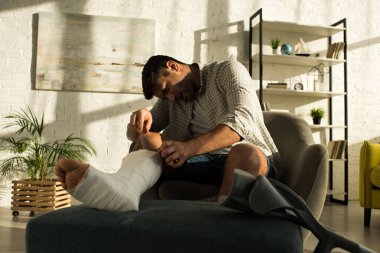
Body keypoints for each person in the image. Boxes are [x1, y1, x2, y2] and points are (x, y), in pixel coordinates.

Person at [55, 55, 282, 210]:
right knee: (148, 140)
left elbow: (243, 119)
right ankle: (121, 186)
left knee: (245, 154)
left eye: (167, 90)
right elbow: (140, 137)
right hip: (201, 164)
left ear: (173, 66)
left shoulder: (226, 71)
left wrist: (189, 147)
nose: (171, 98)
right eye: (165, 97)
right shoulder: (172, 100)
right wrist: (139, 121)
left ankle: (219, 216)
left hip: (246, 159)